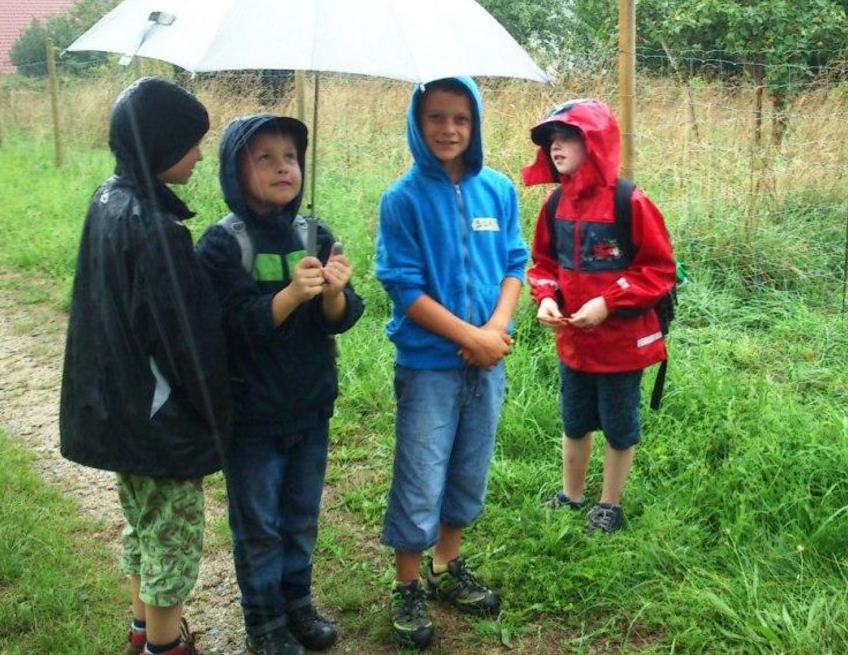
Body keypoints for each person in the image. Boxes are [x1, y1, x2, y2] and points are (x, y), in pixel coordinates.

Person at [60, 77, 231, 655]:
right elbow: (184, 342)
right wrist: (215, 411)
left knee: (142, 524)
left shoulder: (106, 200)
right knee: (173, 540)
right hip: (158, 420)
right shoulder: (158, 231)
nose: (200, 154)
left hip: (115, 407)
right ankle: (165, 646)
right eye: (191, 142)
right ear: (160, 144)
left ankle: (142, 630)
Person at [195, 114, 364, 655]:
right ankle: (264, 620)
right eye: (264, 158)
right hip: (251, 416)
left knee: (300, 518)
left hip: (310, 406)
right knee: (259, 525)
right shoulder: (222, 245)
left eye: (290, 156)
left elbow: (339, 319)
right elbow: (232, 326)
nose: (282, 167)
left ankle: (298, 603)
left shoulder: (315, 234)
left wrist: (334, 293)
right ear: (234, 171)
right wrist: (290, 295)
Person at [374, 76, 527, 649]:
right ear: (417, 123)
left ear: (476, 124)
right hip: (428, 366)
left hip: (487, 360)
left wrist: (494, 331)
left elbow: (514, 263)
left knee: (468, 467)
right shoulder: (403, 199)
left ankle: (446, 563)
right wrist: (469, 336)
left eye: (461, 118)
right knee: (420, 471)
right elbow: (402, 286)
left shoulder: (499, 190)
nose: (449, 129)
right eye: (435, 117)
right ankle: (408, 585)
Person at [521, 98, 676, 535]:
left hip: (621, 347)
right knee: (574, 421)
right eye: (552, 139)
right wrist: (546, 298)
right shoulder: (554, 204)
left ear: (596, 143)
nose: (556, 146)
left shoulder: (630, 202)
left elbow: (658, 270)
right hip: (574, 343)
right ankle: (571, 495)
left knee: (619, 426)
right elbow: (543, 264)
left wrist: (607, 302)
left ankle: (609, 504)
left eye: (568, 137)